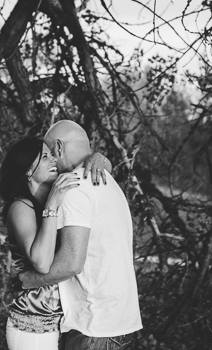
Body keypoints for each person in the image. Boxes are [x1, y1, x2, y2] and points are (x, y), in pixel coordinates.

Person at [19, 120, 142, 350]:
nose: (51, 161)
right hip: (120, 323)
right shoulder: (107, 180)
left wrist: (26, 280)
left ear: (58, 147)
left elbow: (71, 264)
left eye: (49, 154)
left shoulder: (73, 187)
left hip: (94, 326)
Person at [0, 136, 111, 350]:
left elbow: (101, 171)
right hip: (32, 324)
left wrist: (99, 158)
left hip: (59, 322)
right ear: (26, 170)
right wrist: (52, 202)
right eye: (44, 156)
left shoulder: (57, 193)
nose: (53, 160)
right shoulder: (21, 207)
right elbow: (41, 263)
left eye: (52, 154)